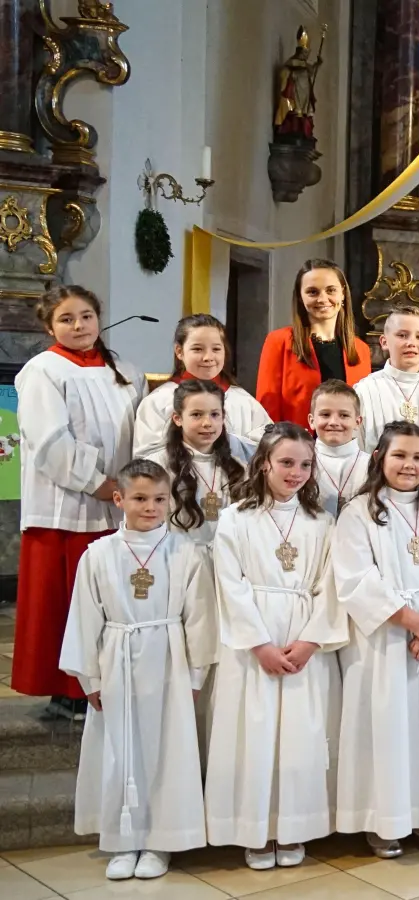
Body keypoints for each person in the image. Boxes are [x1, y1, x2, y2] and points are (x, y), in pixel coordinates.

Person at [60, 459, 214, 880]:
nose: (151, 507)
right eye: (140, 498)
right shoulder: (99, 554)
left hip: (168, 659)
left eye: (160, 499)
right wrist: (88, 678)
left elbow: (199, 616)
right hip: (117, 656)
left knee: (167, 750)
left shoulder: (186, 552)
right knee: (119, 749)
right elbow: (84, 617)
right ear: (119, 499)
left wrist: (196, 676)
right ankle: (123, 838)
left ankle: (161, 840)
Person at [206, 424, 346, 870]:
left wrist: (309, 641)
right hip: (255, 644)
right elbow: (230, 583)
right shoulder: (236, 518)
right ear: (264, 462)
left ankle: (295, 826)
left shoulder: (321, 522)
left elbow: (331, 585)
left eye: (305, 464)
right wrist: (260, 644)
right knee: (255, 734)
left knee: (301, 737)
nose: (296, 472)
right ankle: (256, 828)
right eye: (286, 462)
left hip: (303, 637)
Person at [332, 422, 419, 859]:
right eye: (400, 456)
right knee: (386, 728)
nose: (410, 465)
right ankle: (385, 820)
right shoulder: (359, 512)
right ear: (379, 458)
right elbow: (357, 579)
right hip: (385, 640)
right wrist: (414, 623)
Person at [16, 286, 146, 718]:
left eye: (86, 317)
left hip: (119, 504)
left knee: (109, 599)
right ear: (50, 326)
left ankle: (110, 683)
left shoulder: (125, 370)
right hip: (65, 508)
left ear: (99, 318)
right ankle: (67, 690)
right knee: (67, 600)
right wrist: (101, 484)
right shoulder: (42, 371)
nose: (78, 326)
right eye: (67, 319)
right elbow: (50, 442)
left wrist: (134, 487)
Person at [134, 314, 272, 458]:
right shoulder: (159, 401)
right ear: (179, 352)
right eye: (198, 349)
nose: (208, 357)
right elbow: (146, 459)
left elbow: (268, 448)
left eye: (216, 349)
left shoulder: (243, 401)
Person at [257, 259, 372, 427]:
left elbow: (362, 410)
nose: (322, 299)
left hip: (347, 447)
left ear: (343, 293)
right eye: (312, 292)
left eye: (331, 290)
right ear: (300, 297)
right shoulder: (279, 341)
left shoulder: (361, 349)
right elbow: (266, 409)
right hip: (295, 447)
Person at [144, 379, 251, 545]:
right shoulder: (156, 467)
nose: (207, 423)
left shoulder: (238, 464)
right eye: (196, 415)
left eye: (215, 414)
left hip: (228, 562)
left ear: (223, 416)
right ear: (178, 418)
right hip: (179, 561)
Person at [355, 304, 419, 453]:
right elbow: (357, 450)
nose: (411, 343)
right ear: (384, 342)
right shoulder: (365, 390)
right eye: (402, 335)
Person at [308, 380, 365, 517]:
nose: (334, 422)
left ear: (357, 422)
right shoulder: (302, 463)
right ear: (311, 421)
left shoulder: (372, 466)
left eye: (344, 415)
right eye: (325, 414)